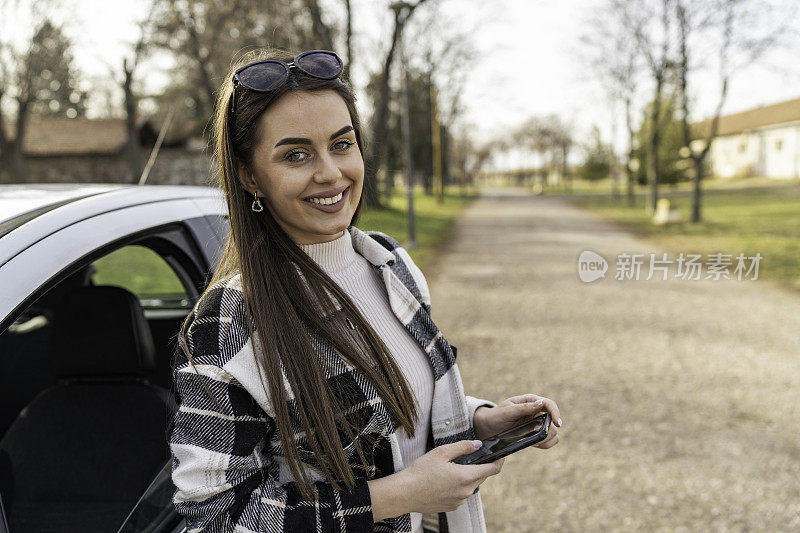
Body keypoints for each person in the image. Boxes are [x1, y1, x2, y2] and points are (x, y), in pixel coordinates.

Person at [168, 47, 562, 533]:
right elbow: (214, 519)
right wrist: (396, 496)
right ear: (251, 176)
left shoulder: (390, 264)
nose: (331, 173)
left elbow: (397, 418)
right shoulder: (230, 320)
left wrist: (479, 419)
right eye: (295, 154)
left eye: (341, 144)